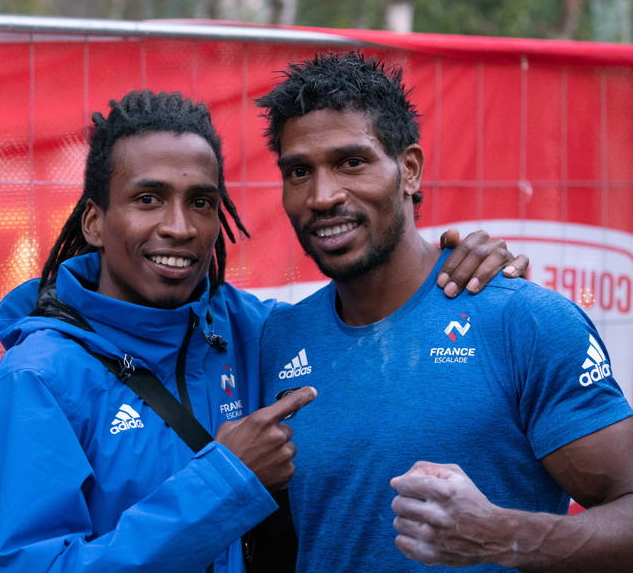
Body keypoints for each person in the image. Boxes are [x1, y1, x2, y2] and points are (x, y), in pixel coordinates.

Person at [0, 89, 525, 573]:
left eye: (201, 202)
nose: (179, 227)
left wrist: (464, 268)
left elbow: (366, 313)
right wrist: (226, 479)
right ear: (95, 221)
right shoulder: (36, 381)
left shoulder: (255, 332)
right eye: (148, 199)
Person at [256, 52, 633, 572]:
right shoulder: (276, 338)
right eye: (299, 171)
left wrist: (505, 537)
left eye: (351, 162)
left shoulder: (524, 321)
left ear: (409, 170)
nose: (322, 196)